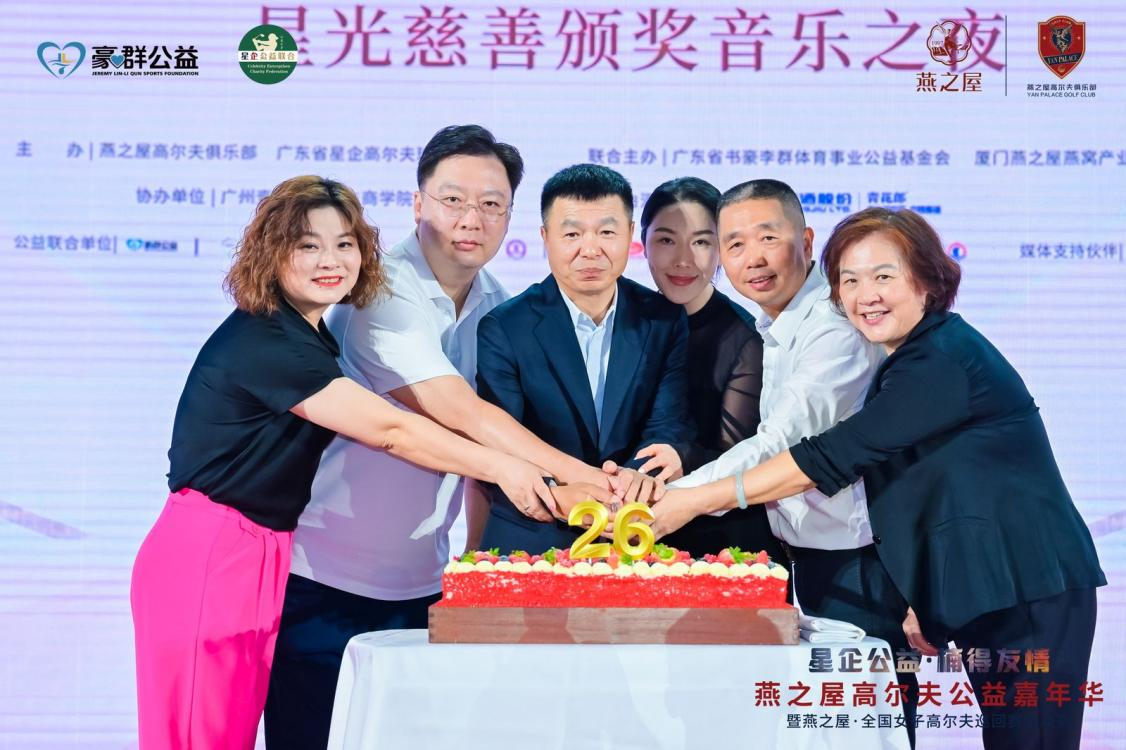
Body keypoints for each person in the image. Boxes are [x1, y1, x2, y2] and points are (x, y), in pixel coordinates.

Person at [650, 207, 1106, 750]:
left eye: (883, 276)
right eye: (850, 281)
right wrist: (927, 597)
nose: (866, 295)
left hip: (1030, 589)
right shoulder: (911, 358)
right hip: (990, 587)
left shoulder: (940, 362)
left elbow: (828, 456)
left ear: (928, 280)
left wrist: (692, 500)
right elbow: (934, 497)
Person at [130, 176, 558, 749]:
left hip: (261, 552)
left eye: (345, 243)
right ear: (271, 252)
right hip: (211, 550)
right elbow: (392, 431)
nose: (330, 260)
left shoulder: (310, 335)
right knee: (198, 736)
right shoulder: (268, 340)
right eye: (308, 245)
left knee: (229, 731)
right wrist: (503, 467)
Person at [265, 128, 613, 750]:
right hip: (322, 580)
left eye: (491, 204)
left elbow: (500, 444)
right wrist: (586, 478)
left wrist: (474, 562)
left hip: (424, 586)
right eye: (453, 200)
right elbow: (457, 412)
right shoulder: (378, 289)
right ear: (418, 203)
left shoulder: (501, 306)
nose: (471, 218)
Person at [665, 179, 918, 743]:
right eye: (734, 244)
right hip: (814, 559)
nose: (752, 258)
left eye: (767, 237)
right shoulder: (777, 326)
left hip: (862, 567)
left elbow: (781, 445)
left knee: (868, 729)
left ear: (805, 241)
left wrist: (675, 499)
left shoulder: (834, 328)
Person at [476, 163, 695, 554]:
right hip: (533, 537)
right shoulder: (505, 327)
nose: (590, 250)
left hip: (634, 532)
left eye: (607, 232)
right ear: (545, 238)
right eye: (572, 234)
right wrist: (559, 492)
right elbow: (496, 443)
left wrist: (633, 480)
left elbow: (668, 423)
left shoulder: (663, 319)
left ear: (630, 234)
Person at [632, 176, 781, 562]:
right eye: (666, 240)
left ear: (721, 249)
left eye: (701, 242)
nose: (683, 260)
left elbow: (744, 455)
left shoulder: (745, 339)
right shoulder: (627, 319)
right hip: (632, 531)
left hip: (722, 544)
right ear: (642, 242)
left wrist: (683, 458)